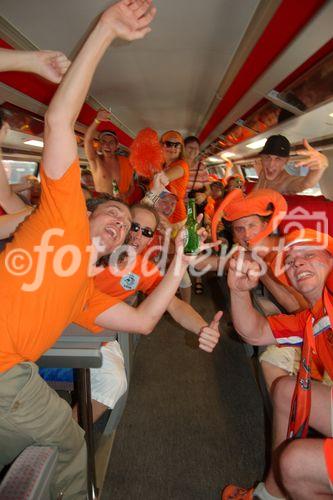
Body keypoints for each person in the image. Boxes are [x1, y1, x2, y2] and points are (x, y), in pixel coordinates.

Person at [0, 2, 194, 498]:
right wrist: (106, 30)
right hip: (7, 376)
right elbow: (60, 119)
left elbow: (148, 321)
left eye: (127, 223)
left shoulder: (86, 292)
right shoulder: (59, 218)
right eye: (111, 213)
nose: (119, 221)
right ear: (86, 212)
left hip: (11, 376)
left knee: (55, 447)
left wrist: (179, 266)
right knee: (68, 450)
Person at [222, 228, 333, 499]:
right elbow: (254, 331)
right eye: (292, 261)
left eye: (310, 254)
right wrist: (238, 291)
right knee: (285, 390)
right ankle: (271, 494)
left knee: (295, 463)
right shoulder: (310, 320)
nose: (298, 263)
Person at [87, 203, 222, 421]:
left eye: (146, 232)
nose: (137, 235)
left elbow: (176, 305)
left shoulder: (143, 269)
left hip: (95, 336)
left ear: (151, 240)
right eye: (135, 226)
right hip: (56, 327)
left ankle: (69, 438)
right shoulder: (89, 248)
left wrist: (203, 328)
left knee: (115, 380)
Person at [254, 134, 328, 194]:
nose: (271, 164)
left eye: (278, 159)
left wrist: (320, 167)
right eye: (267, 157)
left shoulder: (286, 182)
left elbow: (305, 184)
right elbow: (254, 194)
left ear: (286, 161)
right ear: (261, 158)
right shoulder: (263, 174)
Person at [84, 109, 134, 198]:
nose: (107, 145)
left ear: (116, 146)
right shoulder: (95, 160)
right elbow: (87, 140)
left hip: (121, 204)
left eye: (111, 143)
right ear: (100, 144)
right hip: (102, 205)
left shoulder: (125, 162)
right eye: (104, 142)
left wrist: (125, 195)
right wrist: (97, 120)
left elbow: (132, 187)